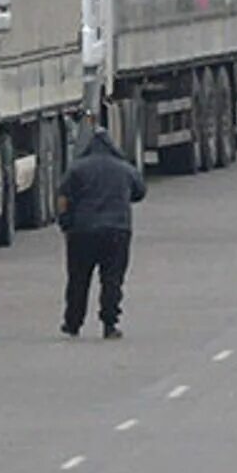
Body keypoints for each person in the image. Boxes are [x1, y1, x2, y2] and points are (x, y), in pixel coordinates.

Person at [57, 119, 145, 339]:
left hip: (82, 231)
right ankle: (109, 323)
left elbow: (63, 197)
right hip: (117, 230)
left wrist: (65, 221)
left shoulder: (77, 168)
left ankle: (73, 323)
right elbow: (140, 192)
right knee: (112, 279)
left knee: (78, 279)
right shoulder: (124, 169)